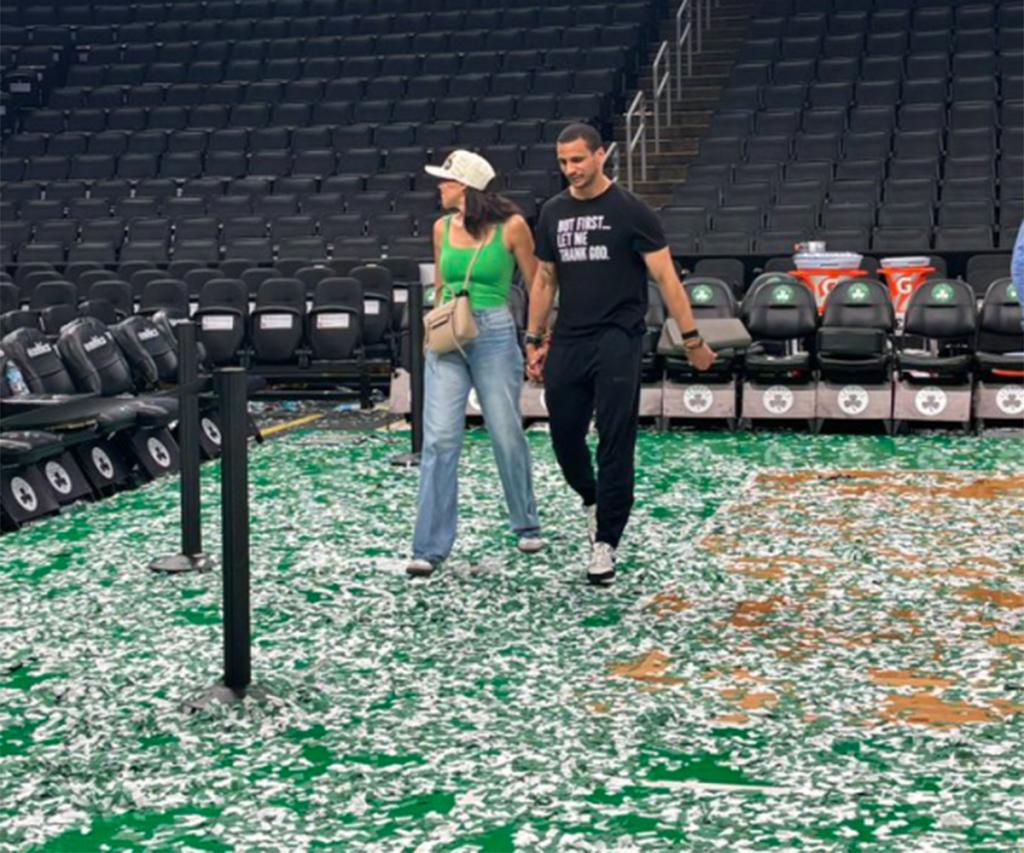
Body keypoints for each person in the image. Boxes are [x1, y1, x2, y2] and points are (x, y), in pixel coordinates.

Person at [525, 123, 716, 586]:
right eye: (564, 162)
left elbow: (667, 280)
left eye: (578, 159)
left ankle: (606, 541)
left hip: (618, 338)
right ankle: (592, 499)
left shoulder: (632, 212)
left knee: (615, 439)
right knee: (565, 439)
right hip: (569, 338)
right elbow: (545, 278)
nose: (570, 169)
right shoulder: (552, 211)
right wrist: (534, 338)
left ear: (600, 156)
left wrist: (692, 339)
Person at [407, 150, 543, 578]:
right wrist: (437, 320)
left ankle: (526, 522)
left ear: (464, 187)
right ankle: (428, 547)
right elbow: (443, 285)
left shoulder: (513, 227)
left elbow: (539, 278)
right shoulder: (440, 227)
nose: (439, 187)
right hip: (449, 333)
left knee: (505, 432)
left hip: (495, 333)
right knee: (440, 439)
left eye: (446, 180)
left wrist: (536, 334)